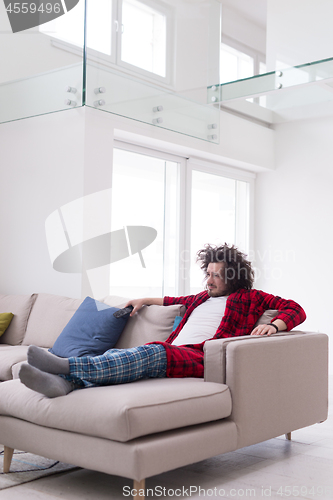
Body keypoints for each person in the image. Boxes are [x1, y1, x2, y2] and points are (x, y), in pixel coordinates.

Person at [19, 243, 306, 398]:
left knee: (153, 350)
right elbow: (169, 301)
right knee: (120, 358)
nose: (210, 280)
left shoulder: (252, 298)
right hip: (175, 353)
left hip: (203, 357)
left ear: (234, 277)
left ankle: (67, 366)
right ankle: (67, 383)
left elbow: (295, 308)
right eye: (208, 273)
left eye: (217, 275)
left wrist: (275, 324)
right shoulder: (199, 298)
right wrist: (143, 300)